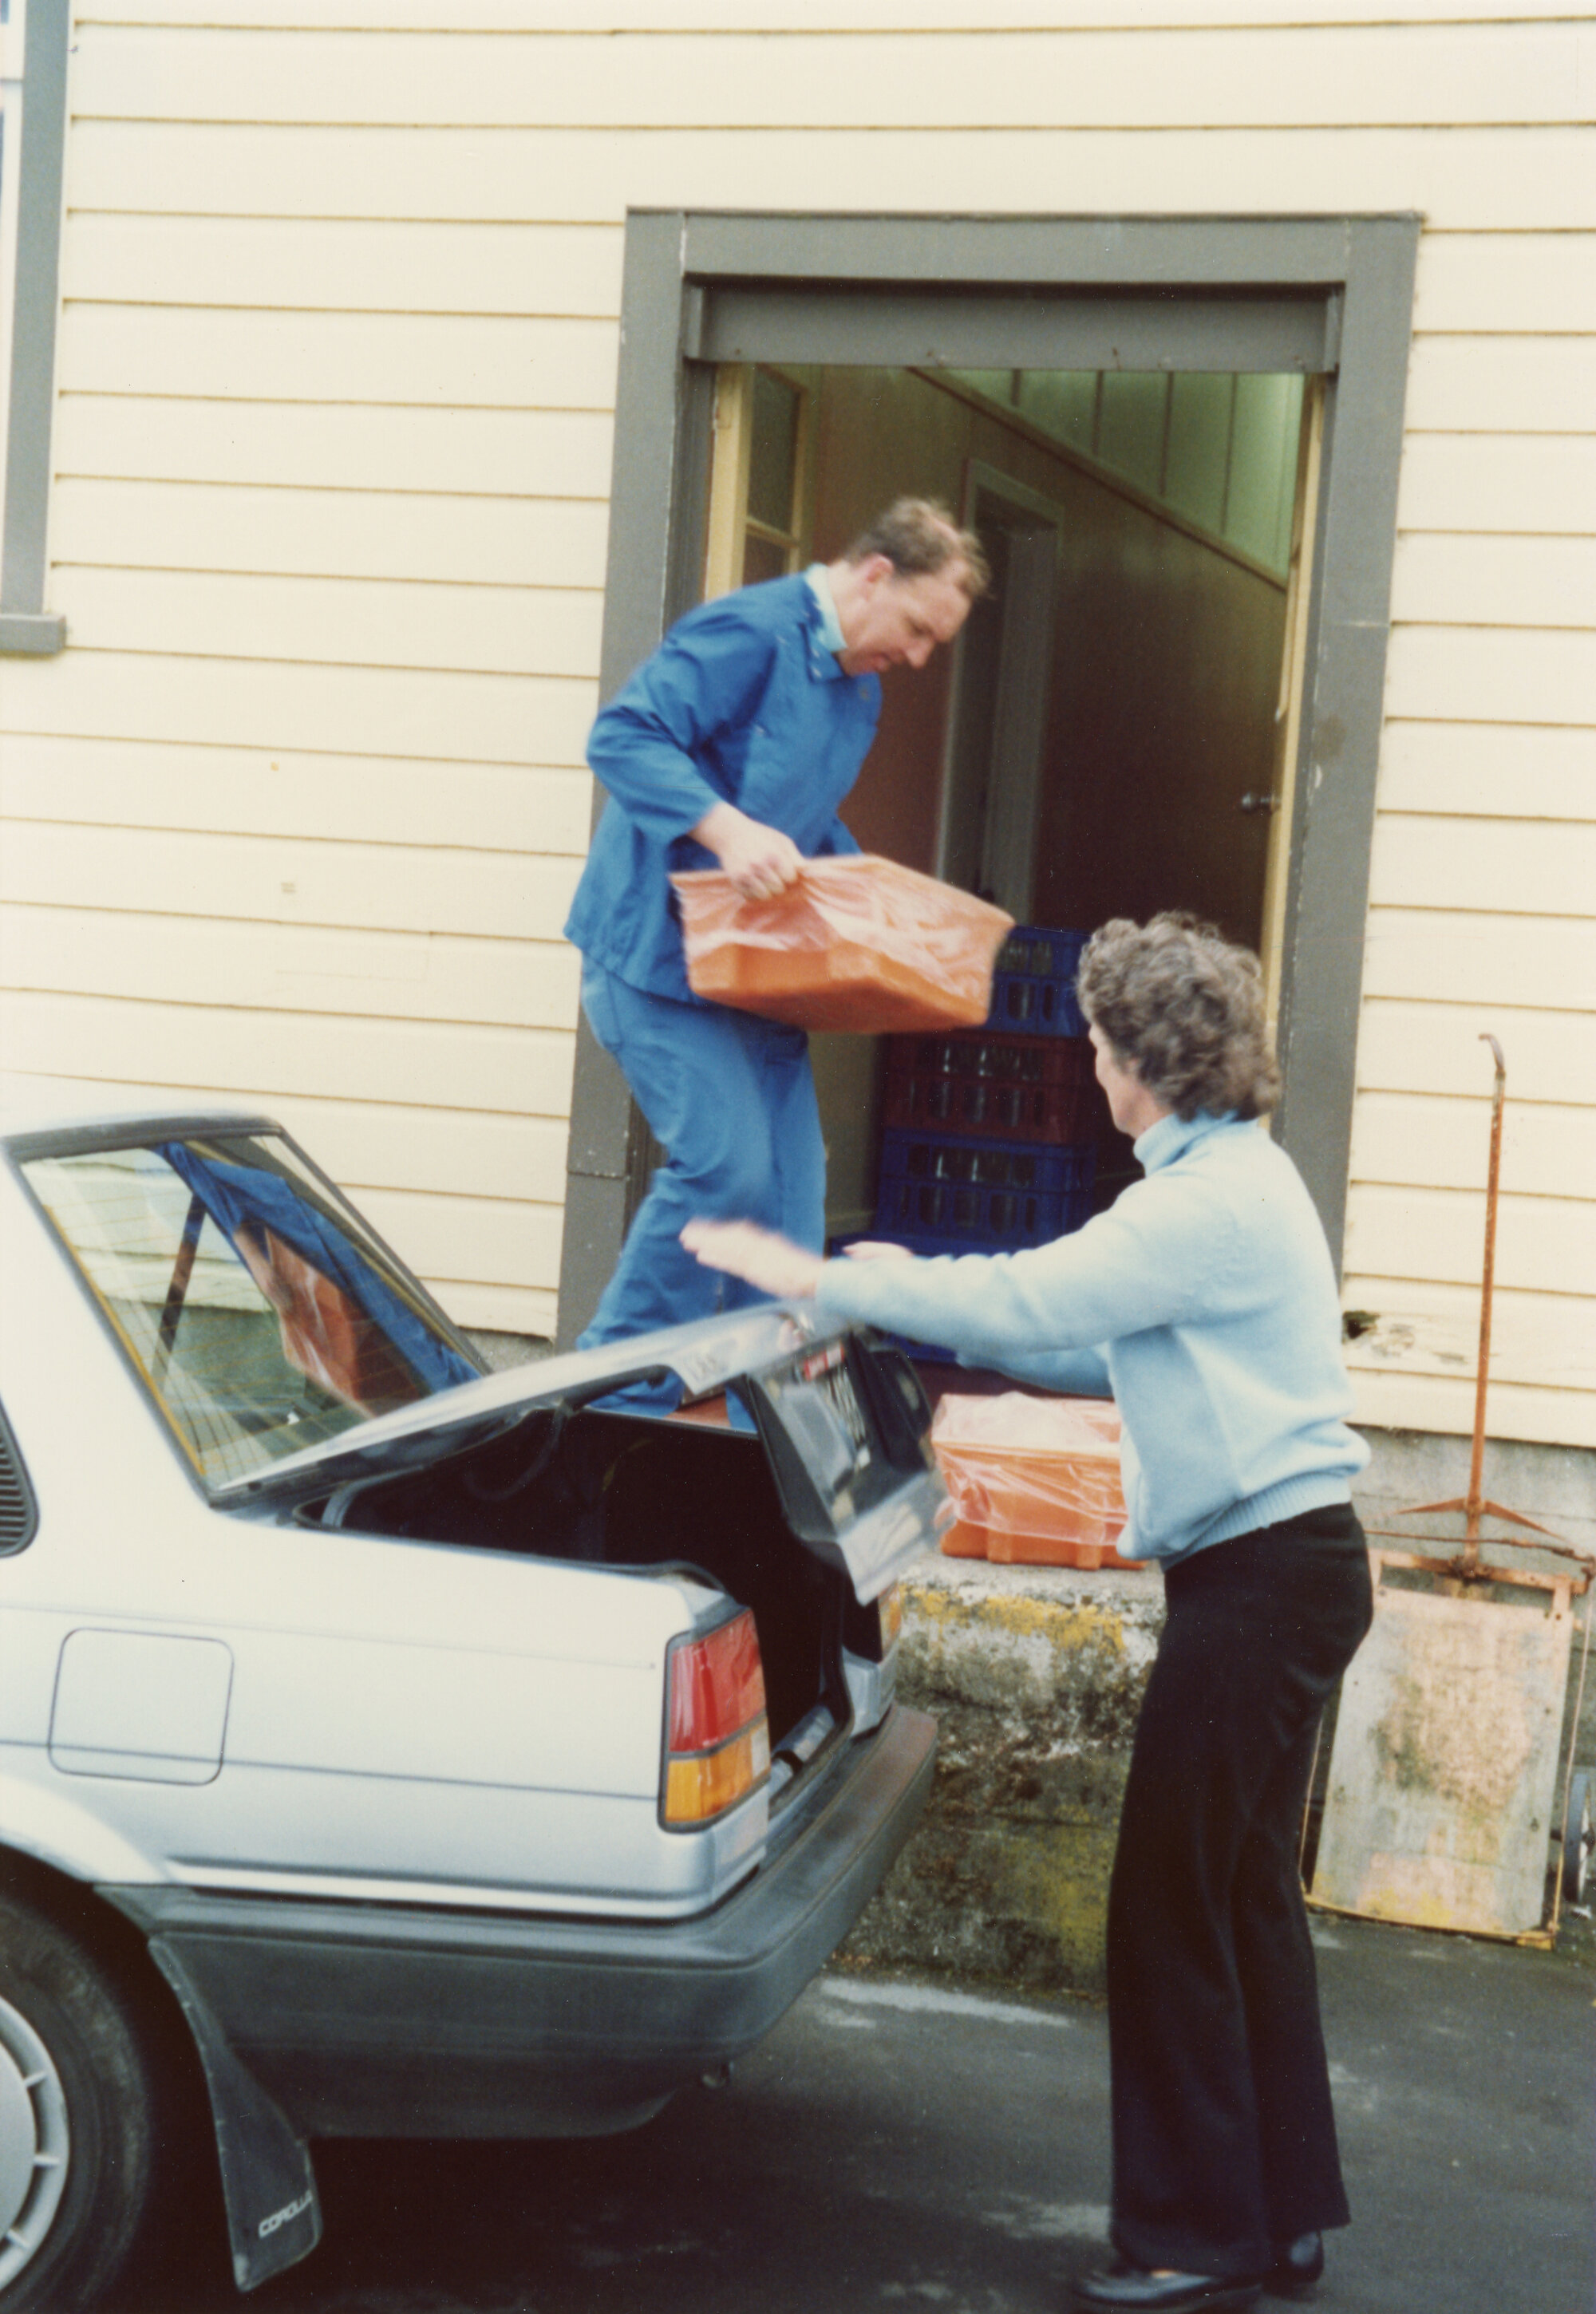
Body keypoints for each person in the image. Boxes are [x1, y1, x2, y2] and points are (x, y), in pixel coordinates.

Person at [681, 914, 1374, 2314]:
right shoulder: (1235, 1181)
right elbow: (1085, 1339)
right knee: (1240, 1902)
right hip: (1291, 1572)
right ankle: (1277, 2213)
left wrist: (833, 1278)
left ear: (1144, 1064)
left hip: (1263, 1585)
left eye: (1102, 1051)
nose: (1093, 1073)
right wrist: (898, 1303)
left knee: (1171, 1907)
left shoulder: (1198, 1204)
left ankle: (1194, 2241)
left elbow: (1027, 1294)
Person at [564, 497, 986, 1399]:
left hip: (754, 979)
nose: (915, 657)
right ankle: (603, 1394)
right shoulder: (749, 632)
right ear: (874, 574)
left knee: (791, 1218)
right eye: (916, 629)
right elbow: (623, 736)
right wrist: (723, 830)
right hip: (657, 963)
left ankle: (780, 1427)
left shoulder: (855, 683)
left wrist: (871, 892)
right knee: (726, 1173)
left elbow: (794, 814)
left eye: (931, 644)